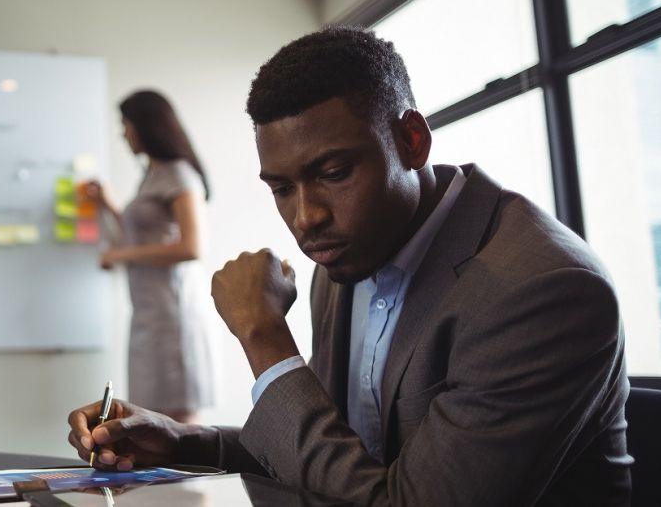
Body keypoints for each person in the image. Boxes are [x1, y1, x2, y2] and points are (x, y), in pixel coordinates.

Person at [66, 27, 631, 506]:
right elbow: (338, 457)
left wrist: (265, 340)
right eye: (282, 188)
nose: (306, 217)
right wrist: (187, 444)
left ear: (412, 141)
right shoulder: (345, 259)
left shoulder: (542, 290)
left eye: (334, 172)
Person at [87, 89, 215, 424]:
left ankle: (189, 481)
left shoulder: (179, 175)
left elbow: (191, 247)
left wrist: (119, 254)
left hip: (173, 319)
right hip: (148, 315)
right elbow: (142, 233)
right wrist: (108, 205)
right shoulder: (152, 176)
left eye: (125, 124)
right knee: (151, 421)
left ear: (145, 126)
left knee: (179, 424)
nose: (122, 133)